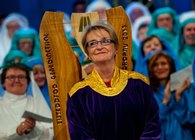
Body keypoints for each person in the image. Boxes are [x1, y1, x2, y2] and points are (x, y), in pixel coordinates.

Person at [66, 21, 161, 139]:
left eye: (105, 41)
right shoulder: (78, 94)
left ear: (116, 48)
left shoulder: (139, 83)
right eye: (92, 43)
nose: (99, 47)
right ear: (88, 53)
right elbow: (80, 135)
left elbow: (152, 125)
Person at [148, 51, 195, 140]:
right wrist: (165, 101)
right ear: (151, 68)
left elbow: (189, 120)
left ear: (170, 65)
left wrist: (178, 98)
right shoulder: (147, 92)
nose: (160, 67)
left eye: (164, 63)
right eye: (155, 65)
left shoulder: (184, 87)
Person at [0, 63, 53, 139]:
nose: (17, 80)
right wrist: (17, 131)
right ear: (3, 83)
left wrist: (33, 130)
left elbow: (49, 134)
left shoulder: (37, 103)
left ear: (28, 82)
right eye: (11, 77)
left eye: (21, 77)